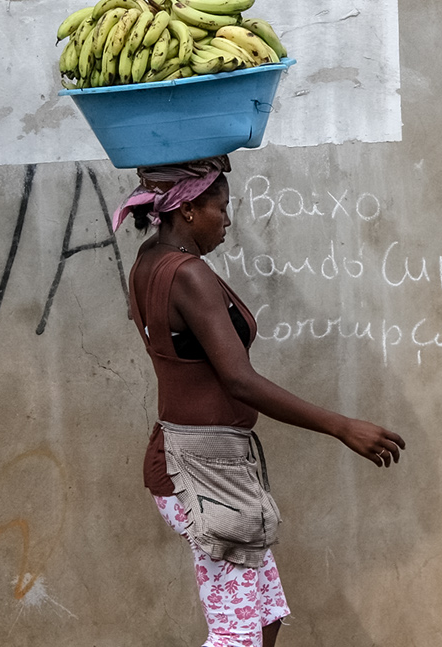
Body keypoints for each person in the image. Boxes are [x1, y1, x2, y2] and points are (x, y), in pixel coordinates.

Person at [113, 155, 405, 647]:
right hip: (201, 472)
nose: (227, 219)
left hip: (206, 461)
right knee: (236, 635)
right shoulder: (187, 275)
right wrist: (341, 426)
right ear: (187, 210)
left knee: (264, 614)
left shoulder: (150, 259)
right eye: (220, 208)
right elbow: (240, 381)